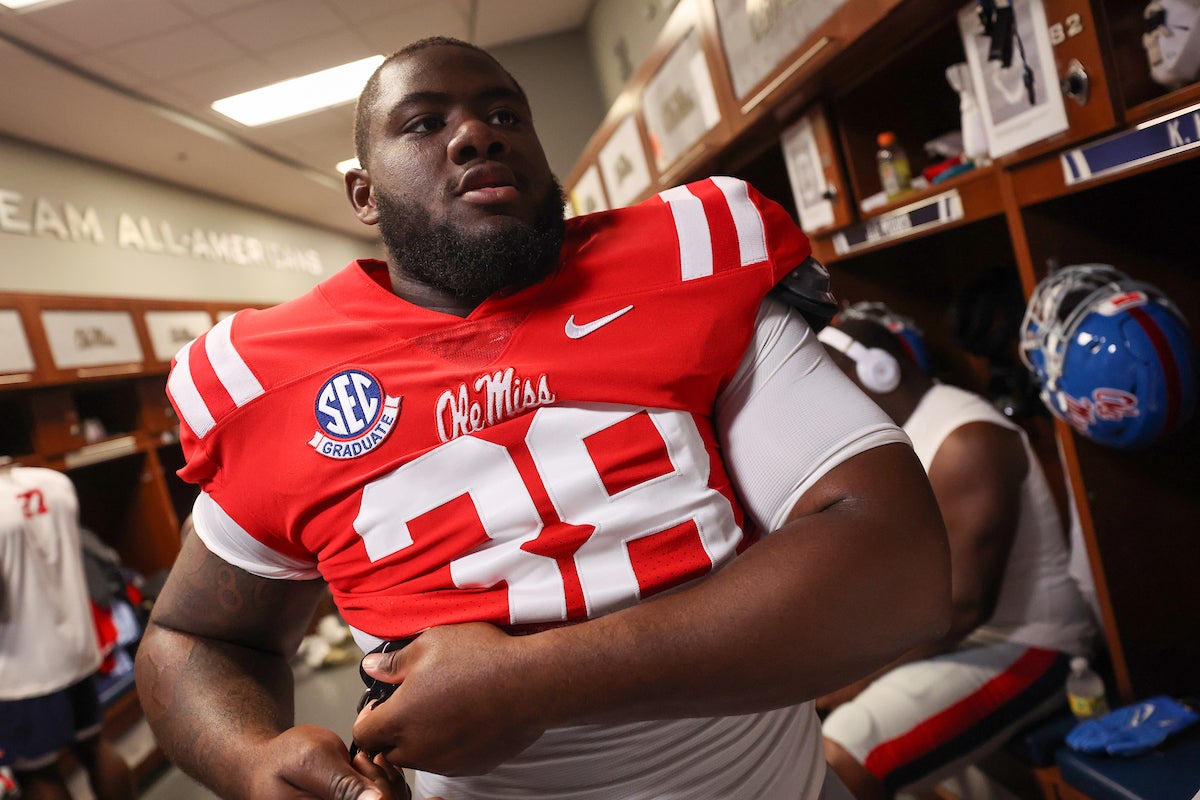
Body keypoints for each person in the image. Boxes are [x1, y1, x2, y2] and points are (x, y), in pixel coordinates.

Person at [134, 37, 951, 800]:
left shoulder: (687, 263)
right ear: (364, 195)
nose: (476, 137)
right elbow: (192, 638)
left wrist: (530, 681)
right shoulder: (272, 380)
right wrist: (249, 757)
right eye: (423, 123)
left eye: (504, 115)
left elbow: (897, 569)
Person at [815, 302, 1098, 800]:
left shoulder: (966, 438)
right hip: (954, 639)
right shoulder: (891, 439)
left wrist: (849, 680)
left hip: (1028, 643)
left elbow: (963, 605)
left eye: (834, 383)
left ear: (879, 373)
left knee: (840, 755)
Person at [0, 461, 136, 800]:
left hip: (19, 670)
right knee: (95, 747)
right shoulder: (54, 483)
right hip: (74, 650)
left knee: (39, 773)